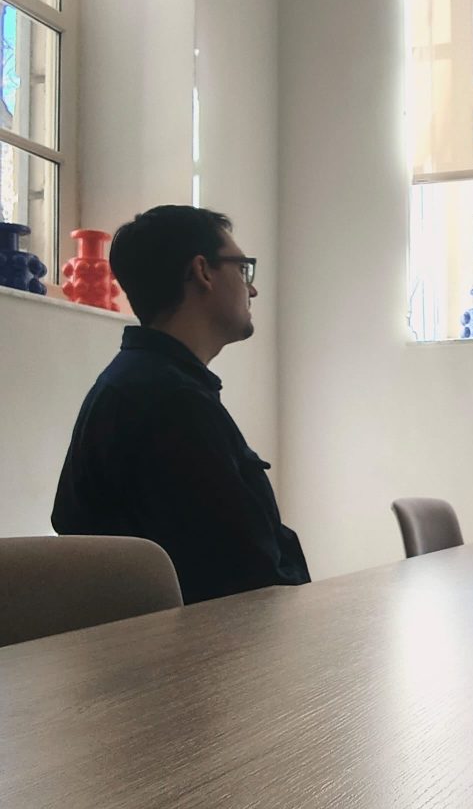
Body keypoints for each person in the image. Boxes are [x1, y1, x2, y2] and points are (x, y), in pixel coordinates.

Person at [52, 205, 310, 604]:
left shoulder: (135, 384)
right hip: (201, 658)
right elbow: (248, 576)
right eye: (242, 269)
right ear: (203, 271)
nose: (252, 288)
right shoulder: (170, 403)